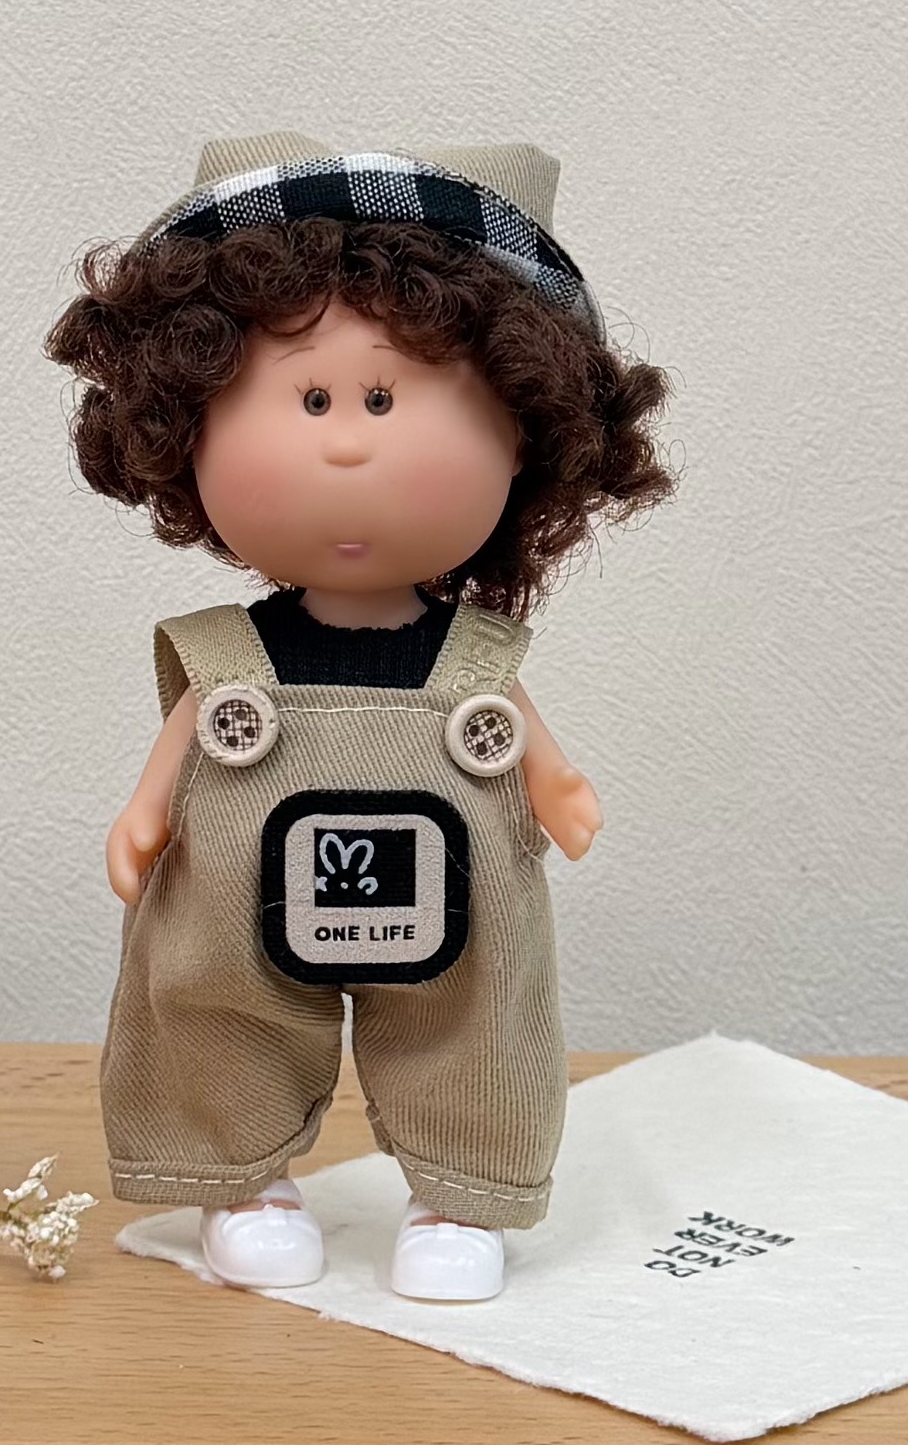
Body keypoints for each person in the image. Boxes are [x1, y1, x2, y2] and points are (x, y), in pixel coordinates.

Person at [46, 133, 675, 1299]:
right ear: (186, 426)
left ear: (523, 434)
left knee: (474, 1025)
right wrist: (144, 817)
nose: (346, 439)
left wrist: (557, 787)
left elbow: (525, 744)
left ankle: (461, 1193)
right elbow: (177, 755)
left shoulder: (475, 666)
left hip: (455, 910)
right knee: (217, 1007)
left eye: (385, 398)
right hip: (242, 897)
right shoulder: (228, 665)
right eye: (309, 397)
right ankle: (243, 1182)